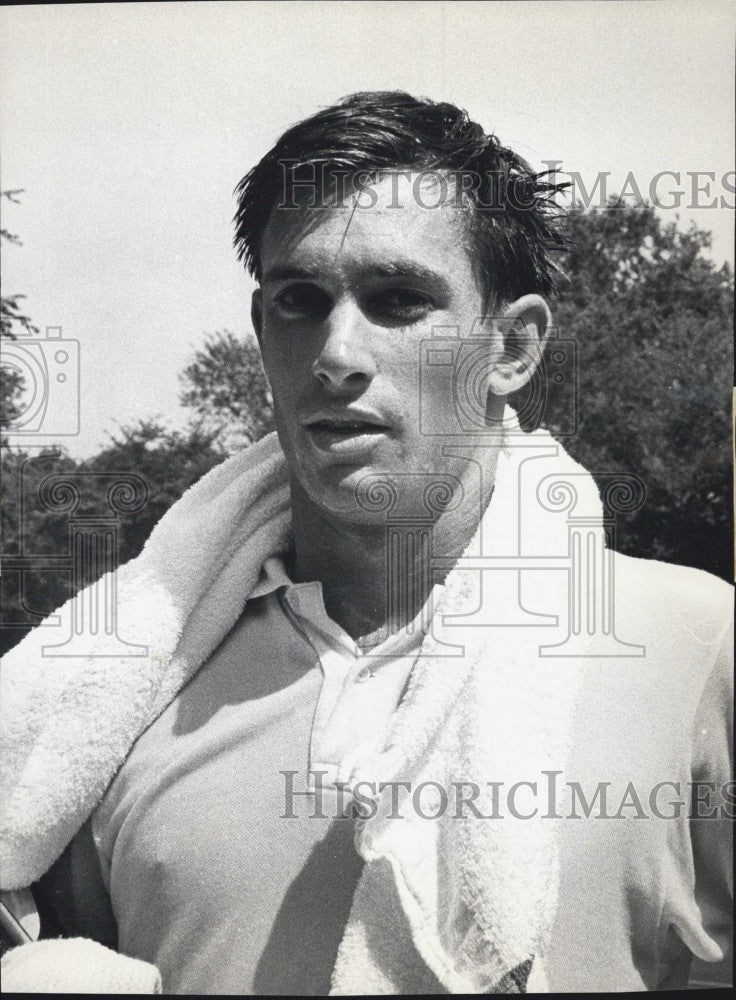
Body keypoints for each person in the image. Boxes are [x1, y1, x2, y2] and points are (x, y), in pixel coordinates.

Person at [1, 91, 732, 994]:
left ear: (512, 347)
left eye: (397, 300)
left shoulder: (692, 646)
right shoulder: (114, 696)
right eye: (300, 301)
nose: (337, 351)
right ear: (262, 332)